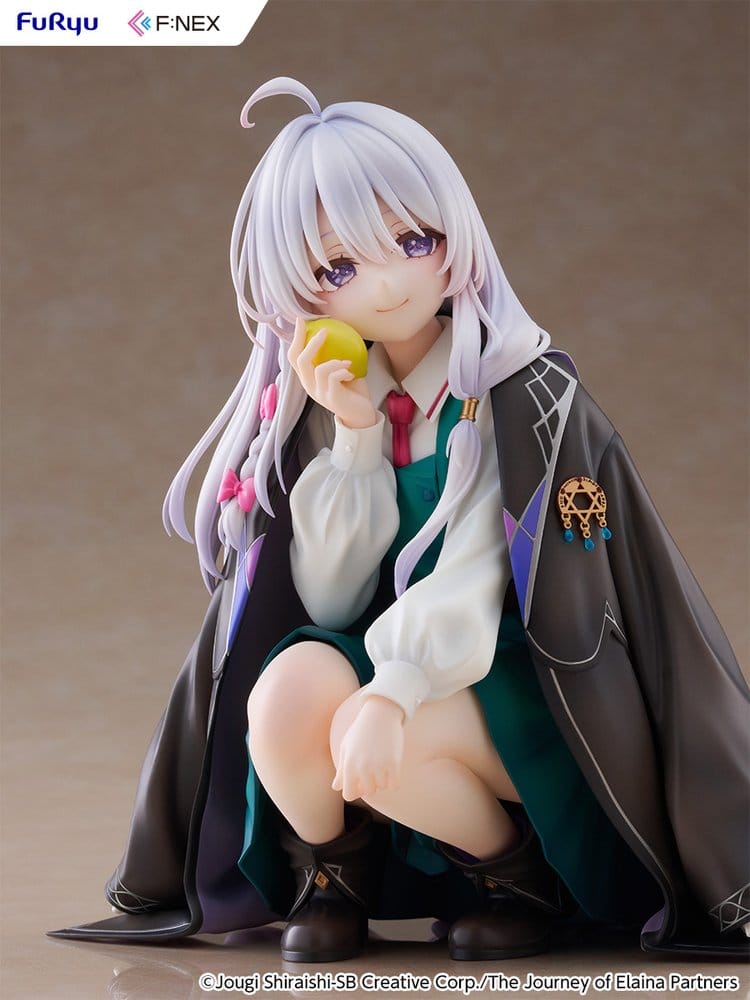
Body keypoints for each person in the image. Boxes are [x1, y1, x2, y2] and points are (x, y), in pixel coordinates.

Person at [50, 78, 749, 962]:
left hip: (518, 687)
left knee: (385, 734)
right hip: (393, 670)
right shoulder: (326, 403)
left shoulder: (520, 398)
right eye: (339, 269)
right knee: (287, 690)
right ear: (301, 292)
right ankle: (331, 875)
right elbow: (331, 600)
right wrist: (353, 437)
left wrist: (392, 690)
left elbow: (477, 573)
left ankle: (515, 877)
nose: (384, 285)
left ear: (454, 235)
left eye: (413, 242)